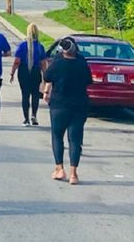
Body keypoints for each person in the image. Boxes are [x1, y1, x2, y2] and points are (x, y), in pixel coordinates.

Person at [43, 37, 93, 184]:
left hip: (59, 105)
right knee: (75, 139)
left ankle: (59, 169)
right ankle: (73, 174)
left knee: (57, 136)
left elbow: (47, 76)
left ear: (62, 50)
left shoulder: (57, 62)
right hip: (79, 105)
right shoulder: (81, 62)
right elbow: (89, 80)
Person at [10, 23, 47, 126]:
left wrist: (12, 72)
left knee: (25, 95)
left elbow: (17, 61)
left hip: (24, 72)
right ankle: (34, 115)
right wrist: (45, 76)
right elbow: (43, 63)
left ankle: (26, 119)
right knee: (35, 94)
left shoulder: (22, 46)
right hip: (35, 71)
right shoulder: (40, 47)